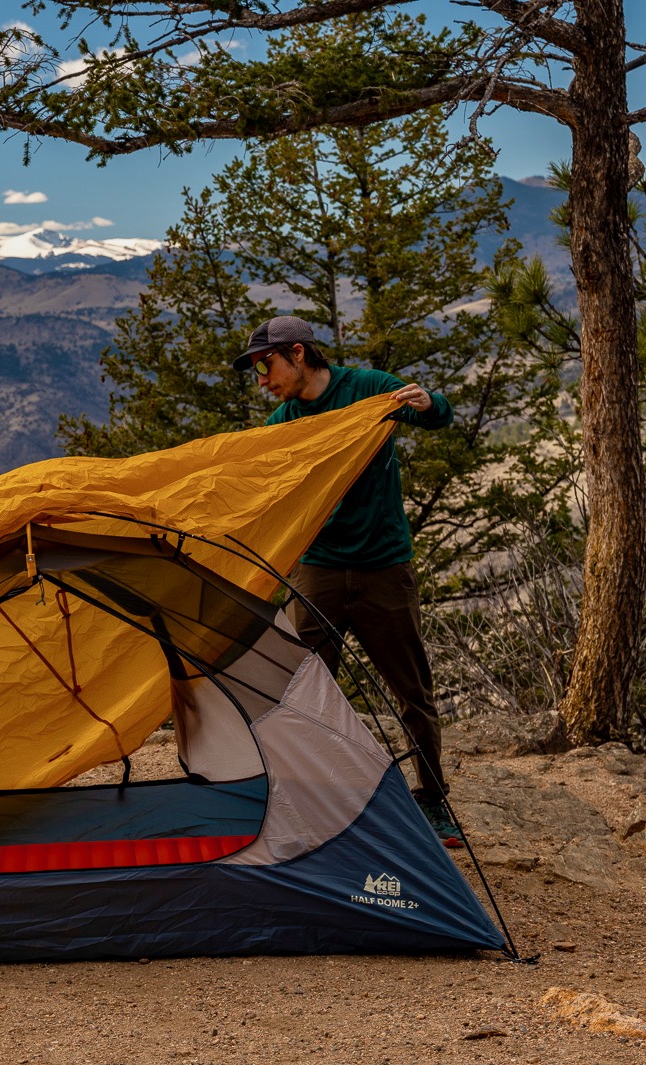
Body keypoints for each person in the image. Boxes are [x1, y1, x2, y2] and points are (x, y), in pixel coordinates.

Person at [234, 315, 463, 847]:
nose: (262, 381)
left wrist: (429, 403)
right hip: (318, 570)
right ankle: (315, 800)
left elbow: (438, 416)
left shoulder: (368, 390)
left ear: (297, 353)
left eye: (265, 367)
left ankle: (434, 800)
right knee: (303, 691)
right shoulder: (282, 423)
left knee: (412, 691)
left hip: (385, 566)